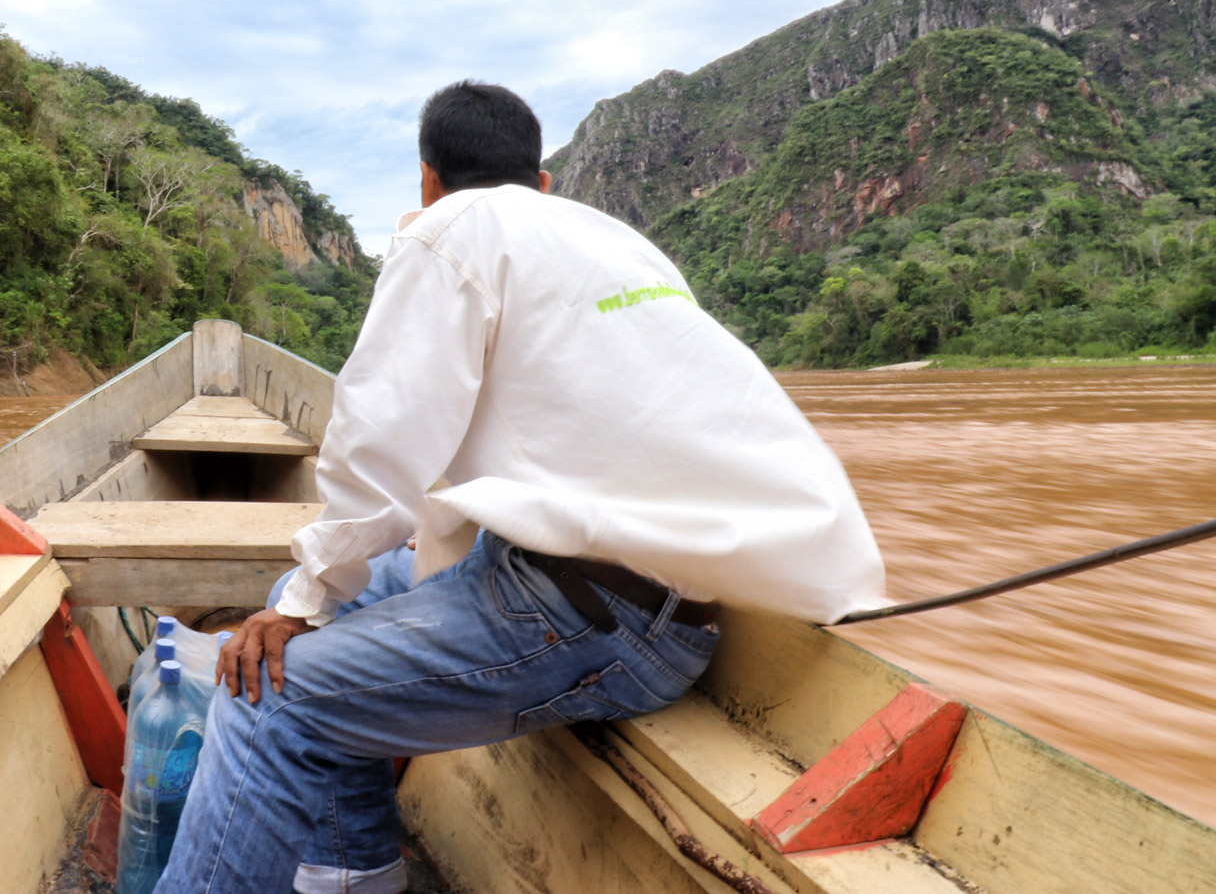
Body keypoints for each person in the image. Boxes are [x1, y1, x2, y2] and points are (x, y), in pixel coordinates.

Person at [153, 80, 888, 894]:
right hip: (627, 600)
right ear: (542, 183)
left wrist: (307, 598)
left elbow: (380, 435)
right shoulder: (617, 241)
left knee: (267, 698)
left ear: (427, 179)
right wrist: (311, 592)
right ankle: (353, 869)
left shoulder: (447, 230)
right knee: (299, 603)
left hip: (586, 618)